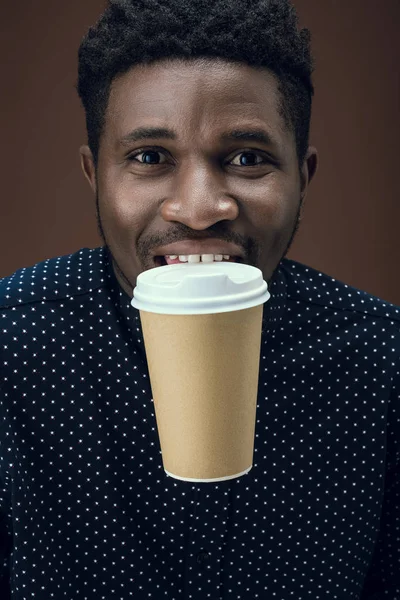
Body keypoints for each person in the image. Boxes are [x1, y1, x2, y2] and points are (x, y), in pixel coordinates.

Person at [0, 0, 399, 597]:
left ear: (302, 177)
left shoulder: (381, 357)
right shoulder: (12, 343)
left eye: (247, 158)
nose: (198, 206)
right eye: (149, 158)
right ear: (95, 176)